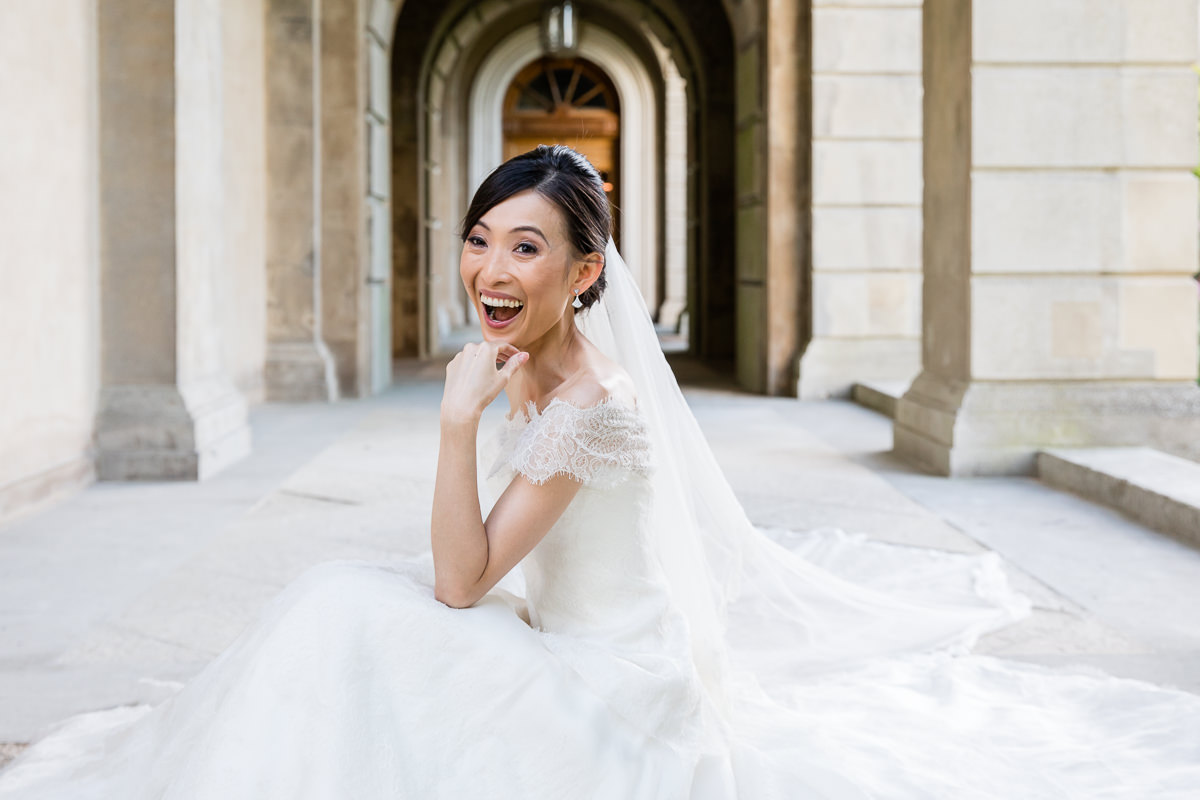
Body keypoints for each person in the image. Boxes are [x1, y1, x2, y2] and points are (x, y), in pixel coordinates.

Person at [2, 144, 1199, 799]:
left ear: (586, 274)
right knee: (336, 614)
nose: (491, 263)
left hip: (610, 685)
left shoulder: (591, 402)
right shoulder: (530, 360)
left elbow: (460, 584)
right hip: (550, 630)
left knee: (341, 612)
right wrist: (482, 398)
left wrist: (455, 424)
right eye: (480, 237)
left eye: (527, 245)